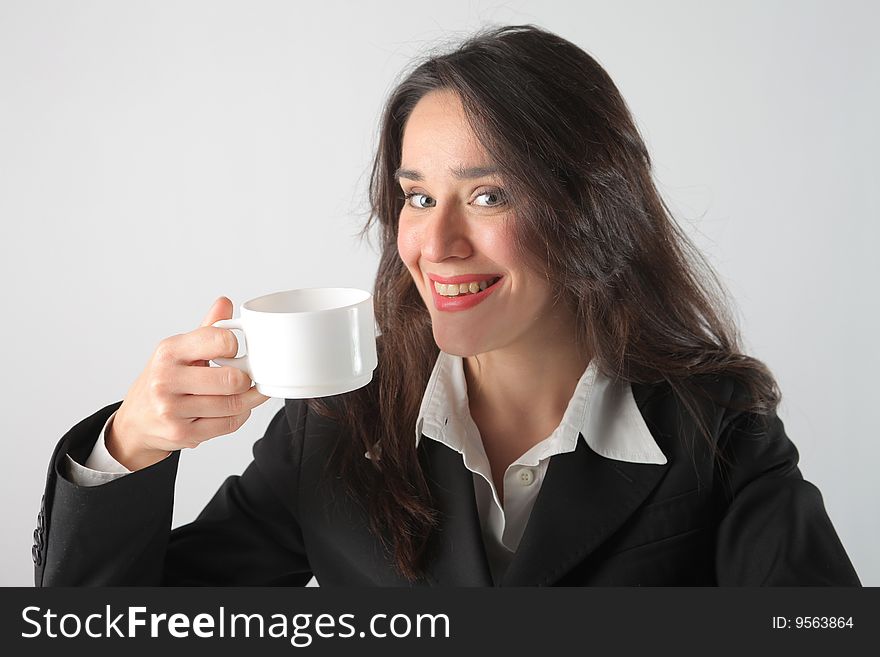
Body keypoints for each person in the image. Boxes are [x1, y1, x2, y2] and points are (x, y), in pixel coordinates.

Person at [34, 24, 860, 586]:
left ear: (590, 207)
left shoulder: (718, 429)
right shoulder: (333, 424)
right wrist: (130, 446)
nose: (438, 243)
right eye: (418, 197)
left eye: (491, 195)